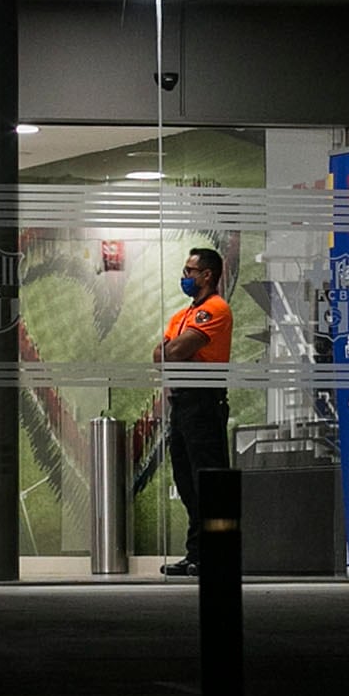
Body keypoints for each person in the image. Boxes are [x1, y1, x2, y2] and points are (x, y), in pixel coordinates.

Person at [153, 245, 231, 577]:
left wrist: (170, 349)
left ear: (207, 275)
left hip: (204, 402)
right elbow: (160, 355)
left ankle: (217, 555)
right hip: (182, 404)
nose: (185, 277)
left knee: (208, 480)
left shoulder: (214, 310)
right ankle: (197, 553)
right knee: (187, 481)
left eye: (189, 271)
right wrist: (169, 350)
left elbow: (178, 348)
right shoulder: (182, 314)